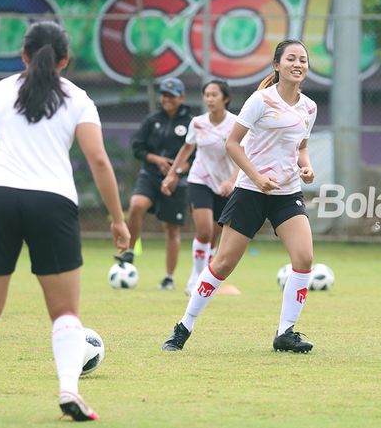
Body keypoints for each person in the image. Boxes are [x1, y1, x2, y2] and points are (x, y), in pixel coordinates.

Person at [0, 21, 130, 421]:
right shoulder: (78, 98)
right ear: (65, 59)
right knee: (64, 312)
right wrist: (117, 219)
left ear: (22, 55)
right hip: (53, 203)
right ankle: (69, 391)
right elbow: (98, 160)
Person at [161, 39, 317, 353]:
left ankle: (285, 333)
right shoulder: (260, 100)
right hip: (250, 191)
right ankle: (183, 327)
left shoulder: (309, 107)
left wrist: (307, 167)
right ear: (277, 65)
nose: (298, 64)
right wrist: (257, 177)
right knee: (223, 263)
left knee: (304, 259)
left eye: (303, 59)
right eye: (291, 58)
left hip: (287, 193)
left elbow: (300, 146)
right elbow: (233, 144)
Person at [160, 80, 239, 294]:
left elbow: (245, 155)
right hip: (200, 179)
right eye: (207, 95)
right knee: (203, 231)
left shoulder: (236, 124)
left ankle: (205, 274)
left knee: (214, 236)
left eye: (214, 95)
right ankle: (196, 279)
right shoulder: (197, 122)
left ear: (226, 98)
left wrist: (231, 181)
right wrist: (172, 175)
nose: (210, 99)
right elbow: (186, 149)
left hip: (225, 185)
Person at [115, 77, 193, 290]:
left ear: (182, 97)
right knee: (136, 205)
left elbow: (195, 156)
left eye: (172, 95)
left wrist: (176, 171)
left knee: (171, 230)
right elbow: (137, 148)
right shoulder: (152, 119)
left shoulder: (190, 123)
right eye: (164, 95)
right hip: (150, 175)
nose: (167, 99)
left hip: (177, 182)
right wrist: (156, 160)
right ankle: (130, 252)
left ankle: (168, 277)